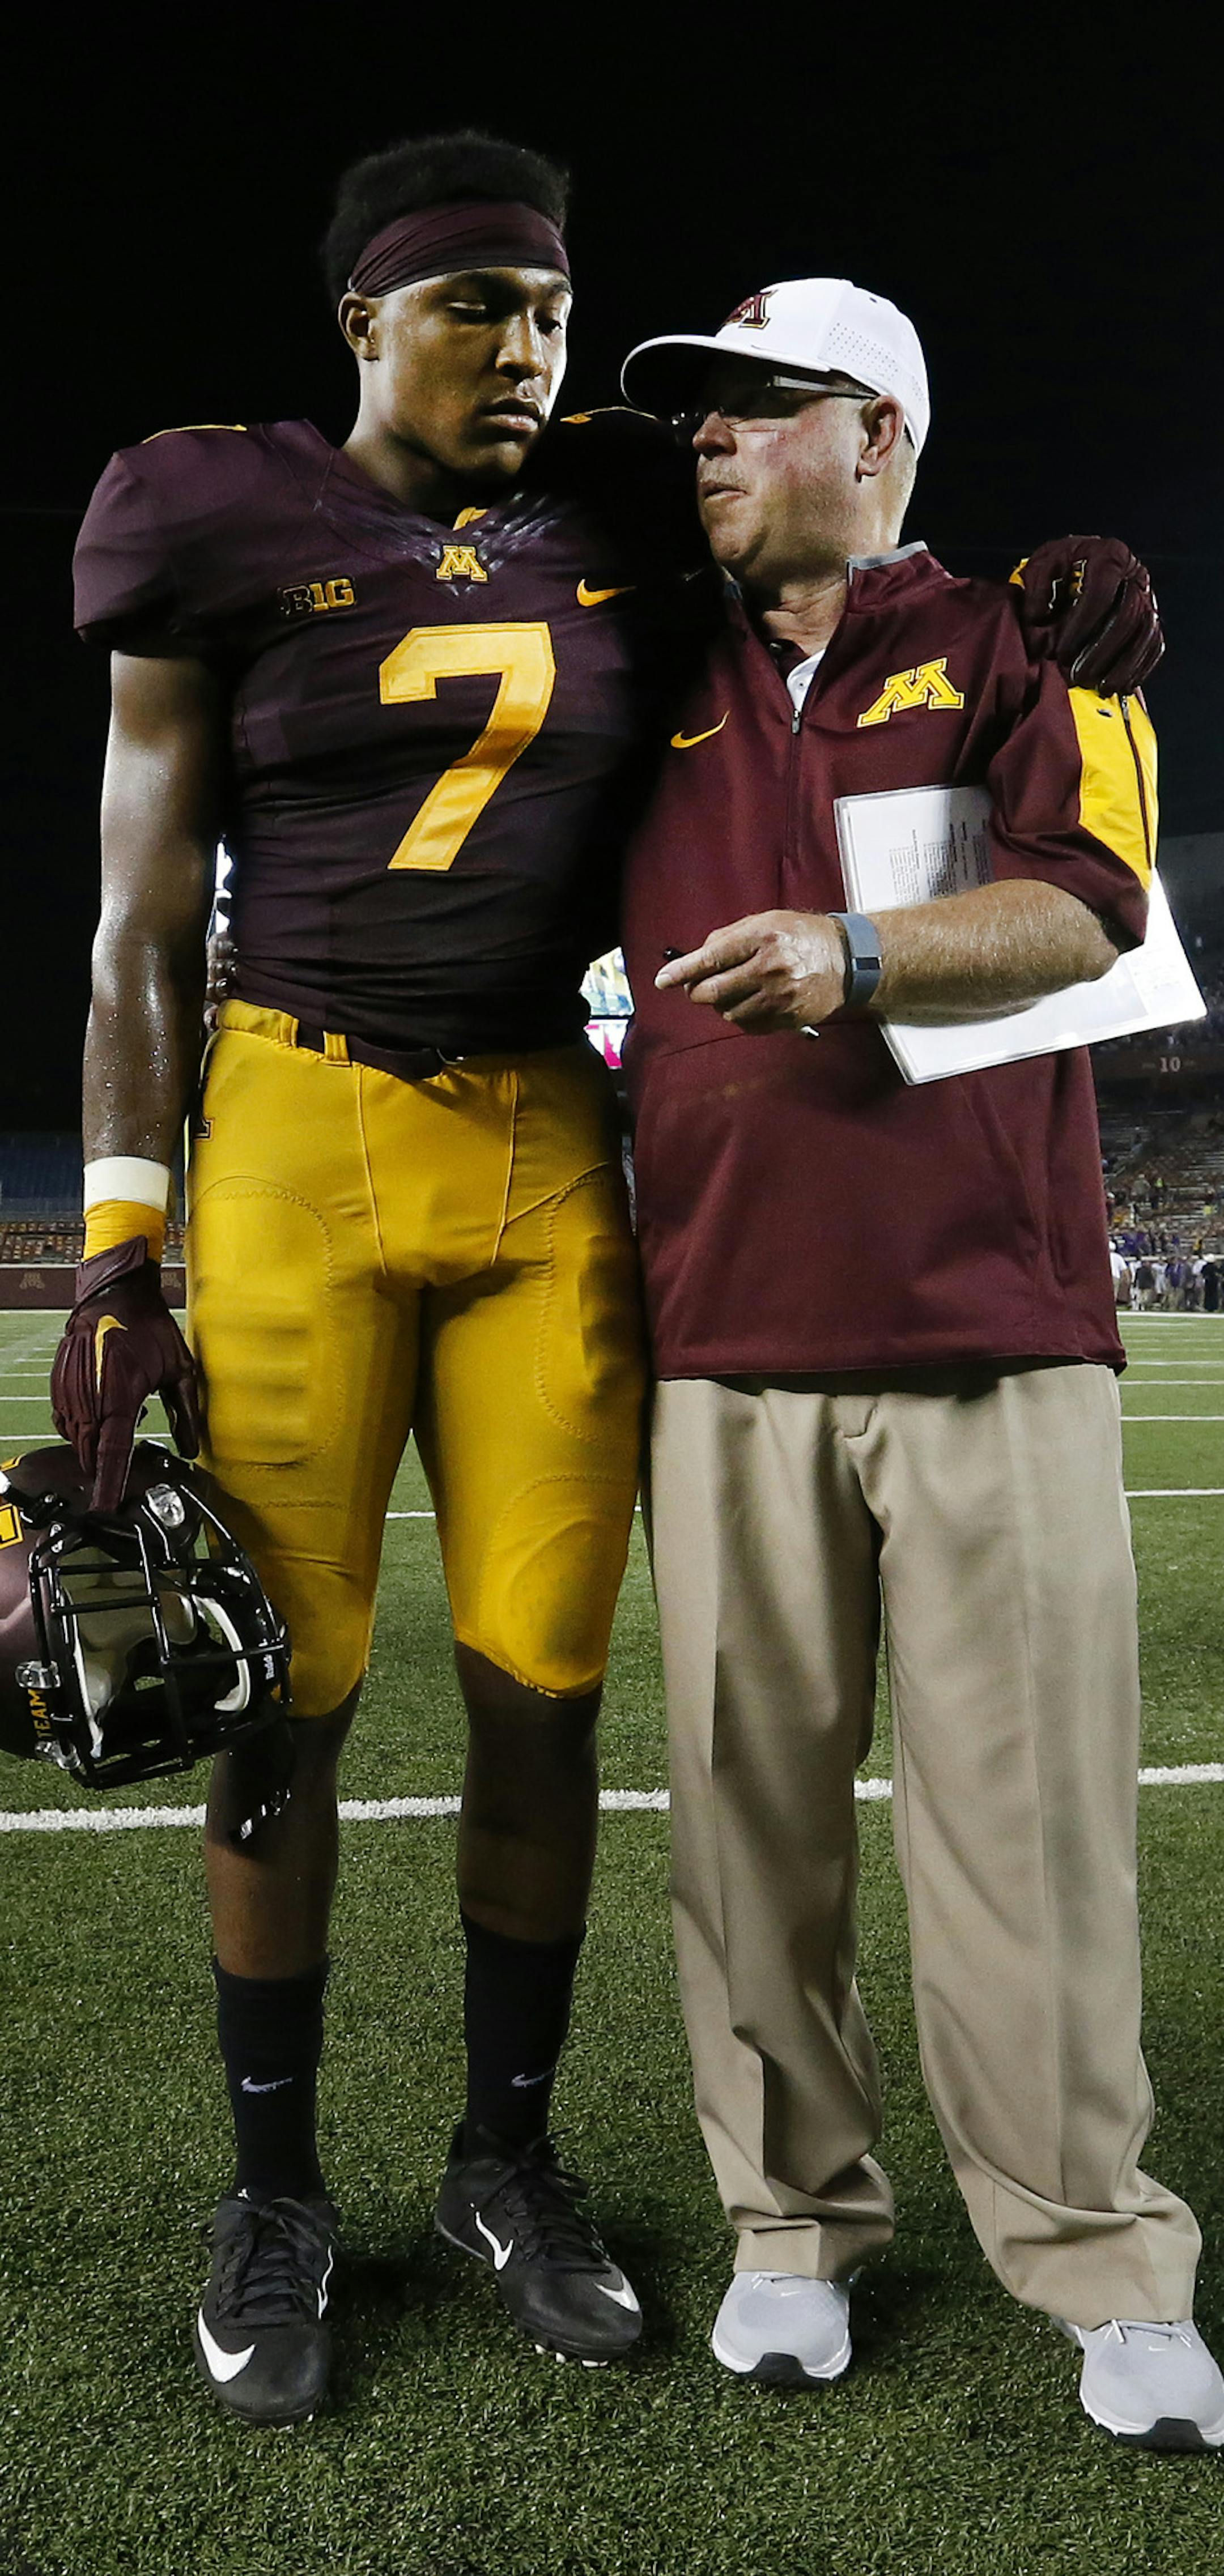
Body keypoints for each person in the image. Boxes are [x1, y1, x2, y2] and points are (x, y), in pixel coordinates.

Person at [56, 132, 1159, 2426]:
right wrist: (123, 1229)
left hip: (604, 1177)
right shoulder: (266, 518)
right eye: (477, 309)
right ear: (361, 318)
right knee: (295, 1687)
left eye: (553, 315)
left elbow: (883, 550)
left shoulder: (743, 545)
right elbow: (143, 910)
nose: (539, 359)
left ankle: (516, 2159)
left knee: (552, 1691)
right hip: (328, 1129)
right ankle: (287, 2189)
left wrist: (1068, 570)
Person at [617, 276, 1224, 2449]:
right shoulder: (648, 659)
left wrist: (858, 953)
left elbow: (1097, 899)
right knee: (744, 1817)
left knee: (1030, 1821)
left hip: (991, 1329)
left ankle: (1095, 2241)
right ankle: (791, 2222)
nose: (697, 443)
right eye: (687, 417)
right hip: (724, 1339)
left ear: (876, 433)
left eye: (747, 412)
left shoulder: (1018, 639)